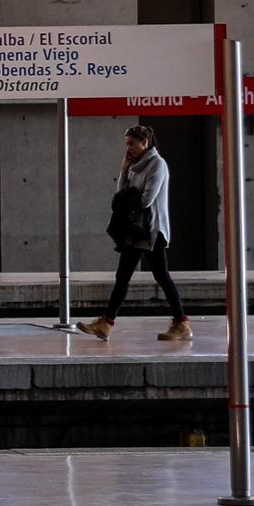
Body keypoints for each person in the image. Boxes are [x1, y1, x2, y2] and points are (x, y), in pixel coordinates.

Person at [88, 121, 190, 342]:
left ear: (145, 142)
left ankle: (181, 323)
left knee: (161, 276)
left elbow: (146, 200)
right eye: (127, 144)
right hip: (137, 231)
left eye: (132, 144)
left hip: (152, 231)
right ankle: (107, 323)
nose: (128, 148)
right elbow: (120, 195)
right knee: (124, 275)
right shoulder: (135, 165)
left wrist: (128, 197)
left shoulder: (157, 165)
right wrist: (124, 170)